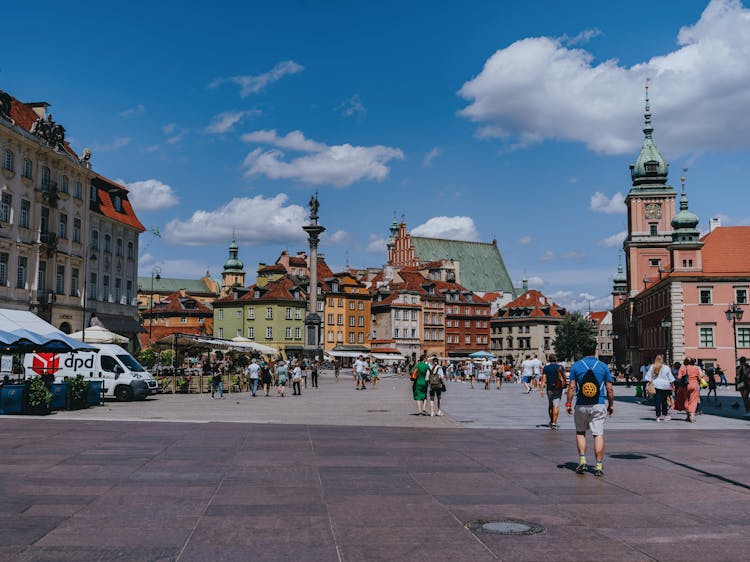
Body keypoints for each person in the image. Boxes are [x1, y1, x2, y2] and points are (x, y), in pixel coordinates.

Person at [566, 341, 614, 477]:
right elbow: (609, 388)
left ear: (582, 350)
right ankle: (598, 466)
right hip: (598, 404)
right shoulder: (603, 366)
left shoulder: (576, 366)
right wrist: (611, 405)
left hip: (581, 404)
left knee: (580, 432)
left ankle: (582, 460)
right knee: (597, 434)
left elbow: (571, 388)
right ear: (595, 350)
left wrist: (568, 404)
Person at [643, 354, 675, 421]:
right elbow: (671, 378)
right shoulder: (666, 367)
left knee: (657, 401)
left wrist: (650, 383)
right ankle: (665, 415)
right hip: (665, 386)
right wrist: (672, 385)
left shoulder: (652, 367)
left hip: (656, 385)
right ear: (662, 360)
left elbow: (648, 377)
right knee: (664, 401)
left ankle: (658, 416)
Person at [540, 354, 565, 429]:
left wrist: (541, 389)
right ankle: (554, 423)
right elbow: (563, 377)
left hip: (549, 389)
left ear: (549, 360)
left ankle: (551, 421)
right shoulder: (560, 367)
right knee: (556, 406)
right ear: (556, 360)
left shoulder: (546, 368)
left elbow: (544, 379)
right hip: (558, 388)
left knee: (551, 405)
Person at [675, 358, 701, 422]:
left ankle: (688, 416)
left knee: (686, 400)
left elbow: (679, 377)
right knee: (693, 400)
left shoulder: (683, 367)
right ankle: (691, 415)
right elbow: (699, 377)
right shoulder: (696, 368)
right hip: (694, 385)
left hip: (686, 386)